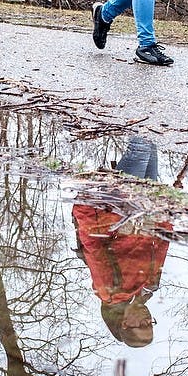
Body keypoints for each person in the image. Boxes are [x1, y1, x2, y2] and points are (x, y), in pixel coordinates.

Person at [72, 137, 171, 346]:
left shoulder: (111, 291)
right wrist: (167, 216)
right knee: (152, 144)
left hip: (117, 205)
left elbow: (93, 244)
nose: (147, 320)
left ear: (125, 324)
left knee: (141, 146)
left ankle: (139, 106)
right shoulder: (149, 289)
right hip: (148, 207)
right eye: (151, 323)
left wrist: (87, 206)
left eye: (142, 325)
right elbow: (161, 246)